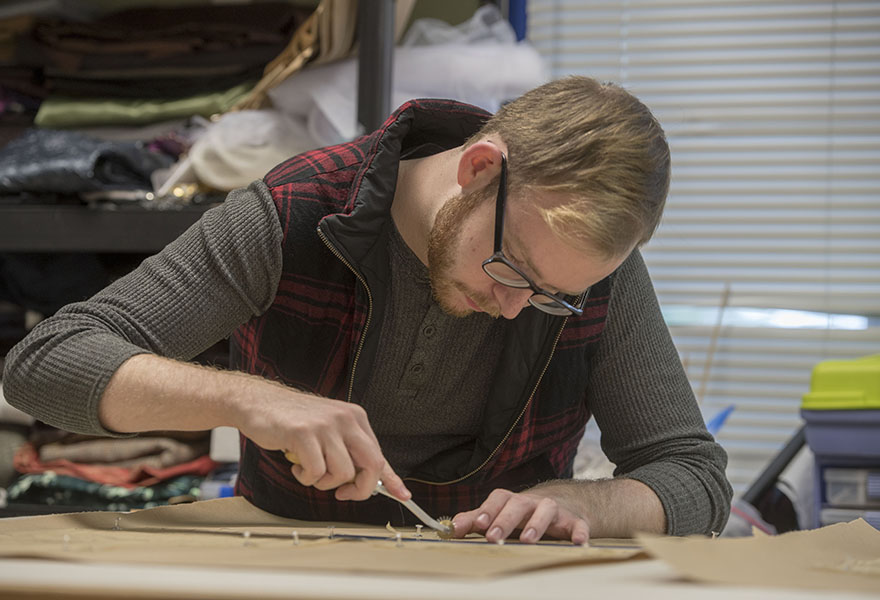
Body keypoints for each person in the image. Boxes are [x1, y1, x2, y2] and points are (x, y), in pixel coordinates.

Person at [3, 76, 732, 544]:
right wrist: (251, 402)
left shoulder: (584, 268)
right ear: (480, 170)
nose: (516, 310)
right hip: (287, 565)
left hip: (492, 586)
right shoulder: (296, 213)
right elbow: (44, 364)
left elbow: (694, 476)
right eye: (511, 268)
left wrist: (584, 504)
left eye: (549, 296)